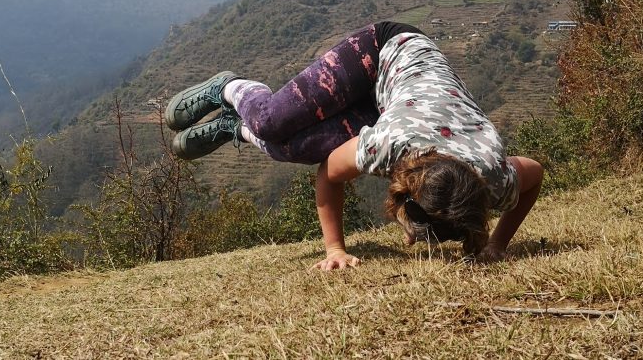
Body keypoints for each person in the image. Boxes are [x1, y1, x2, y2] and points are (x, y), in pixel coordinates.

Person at [166, 21, 544, 270]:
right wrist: (335, 249)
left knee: (287, 148)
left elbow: (535, 173)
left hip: (391, 102)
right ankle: (230, 89)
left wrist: (496, 244)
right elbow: (329, 174)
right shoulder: (391, 145)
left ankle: (236, 129)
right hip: (384, 51)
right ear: (407, 193)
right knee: (270, 122)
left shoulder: (494, 179)